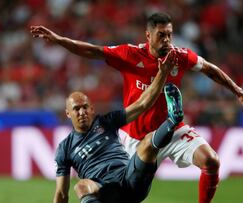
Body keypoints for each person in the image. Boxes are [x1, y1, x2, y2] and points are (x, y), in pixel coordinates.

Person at [31, 12, 243, 203]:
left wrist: (239, 92)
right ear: (148, 35)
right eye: (161, 35)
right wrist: (60, 40)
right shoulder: (130, 54)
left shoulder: (179, 56)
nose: (167, 40)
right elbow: (92, 50)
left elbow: (210, 69)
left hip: (172, 130)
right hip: (135, 139)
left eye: (170, 35)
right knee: (124, 196)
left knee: (212, 161)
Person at [53, 50, 183, 203]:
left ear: (92, 109)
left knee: (148, 141)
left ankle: (172, 120)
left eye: (85, 107)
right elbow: (61, 194)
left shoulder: (107, 122)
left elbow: (142, 104)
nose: (81, 112)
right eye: (76, 109)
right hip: (104, 191)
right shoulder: (65, 148)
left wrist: (162, 73)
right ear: (68, 114)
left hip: (129, 179)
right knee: (81, 186)